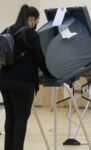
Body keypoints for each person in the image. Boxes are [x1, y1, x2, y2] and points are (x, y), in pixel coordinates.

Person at [0, 4, 52, 150]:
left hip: (4, 80)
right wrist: (49, 74)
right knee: (21, 119)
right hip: (23, 82)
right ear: (33, 19)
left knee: (10, 118)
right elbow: (39, 58)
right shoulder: (31, 34)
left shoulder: (7, 30)